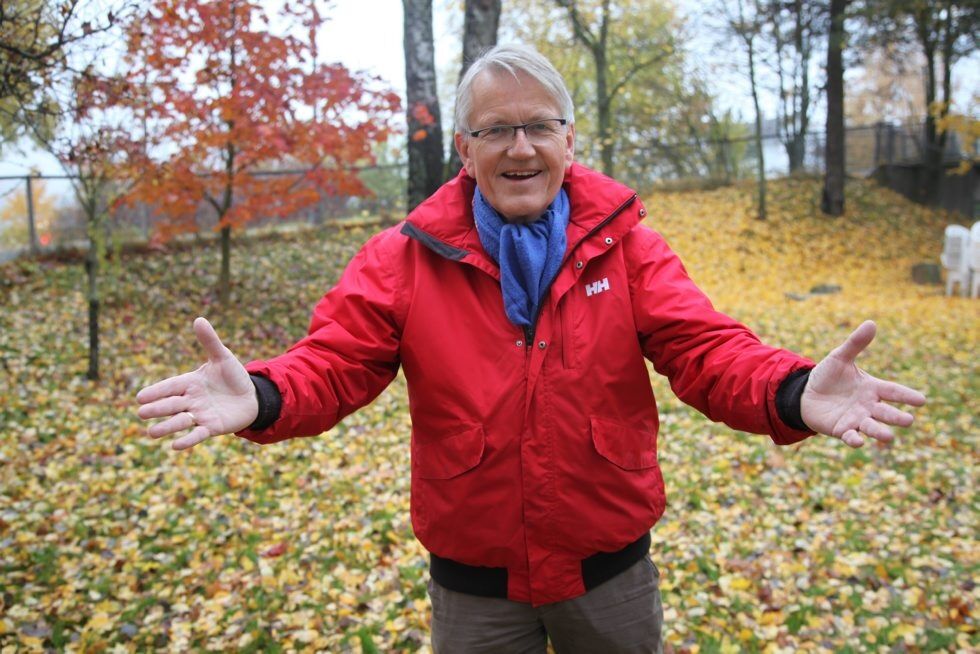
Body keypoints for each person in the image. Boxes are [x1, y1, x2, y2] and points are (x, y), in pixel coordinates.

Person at [136, 44, 926, 653]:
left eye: (539, 126)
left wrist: (791, 389)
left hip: (610, 575)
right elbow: (334, 362)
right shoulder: (403, 259)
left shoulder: (629, 248)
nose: (520, 147)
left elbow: (706, 348)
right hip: (475, 590)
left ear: (568, 140)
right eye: (496, 130)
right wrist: (264, 394)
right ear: (464, 147)